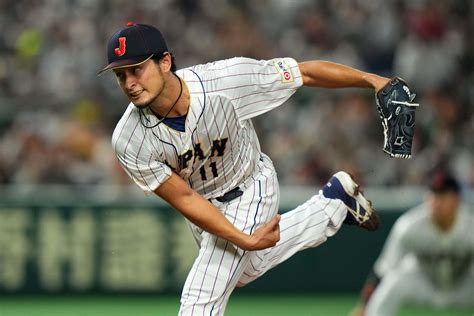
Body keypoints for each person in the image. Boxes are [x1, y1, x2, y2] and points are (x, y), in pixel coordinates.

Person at [99, 22, 391, 315]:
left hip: (250, 185)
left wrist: (372, 80)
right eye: (120, 75)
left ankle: (327, 206)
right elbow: (186, 199)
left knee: (201, 295)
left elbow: (304, 72)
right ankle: (333, 204)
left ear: (165, 62)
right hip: (204, 204)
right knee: (246, 270)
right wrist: (245, 240)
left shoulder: (226, 81)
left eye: (136, 69)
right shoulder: (129, 139)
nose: (129, 83)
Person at [352, 171, 474, 316]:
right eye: (433, 195)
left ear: (456, 200)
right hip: (425, 285)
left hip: (462, 287)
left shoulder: (470, 226)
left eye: (442, 196)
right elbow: (384, 268)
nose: (436, 202)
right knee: (394, 279)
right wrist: (364, 304)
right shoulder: (409, 226)